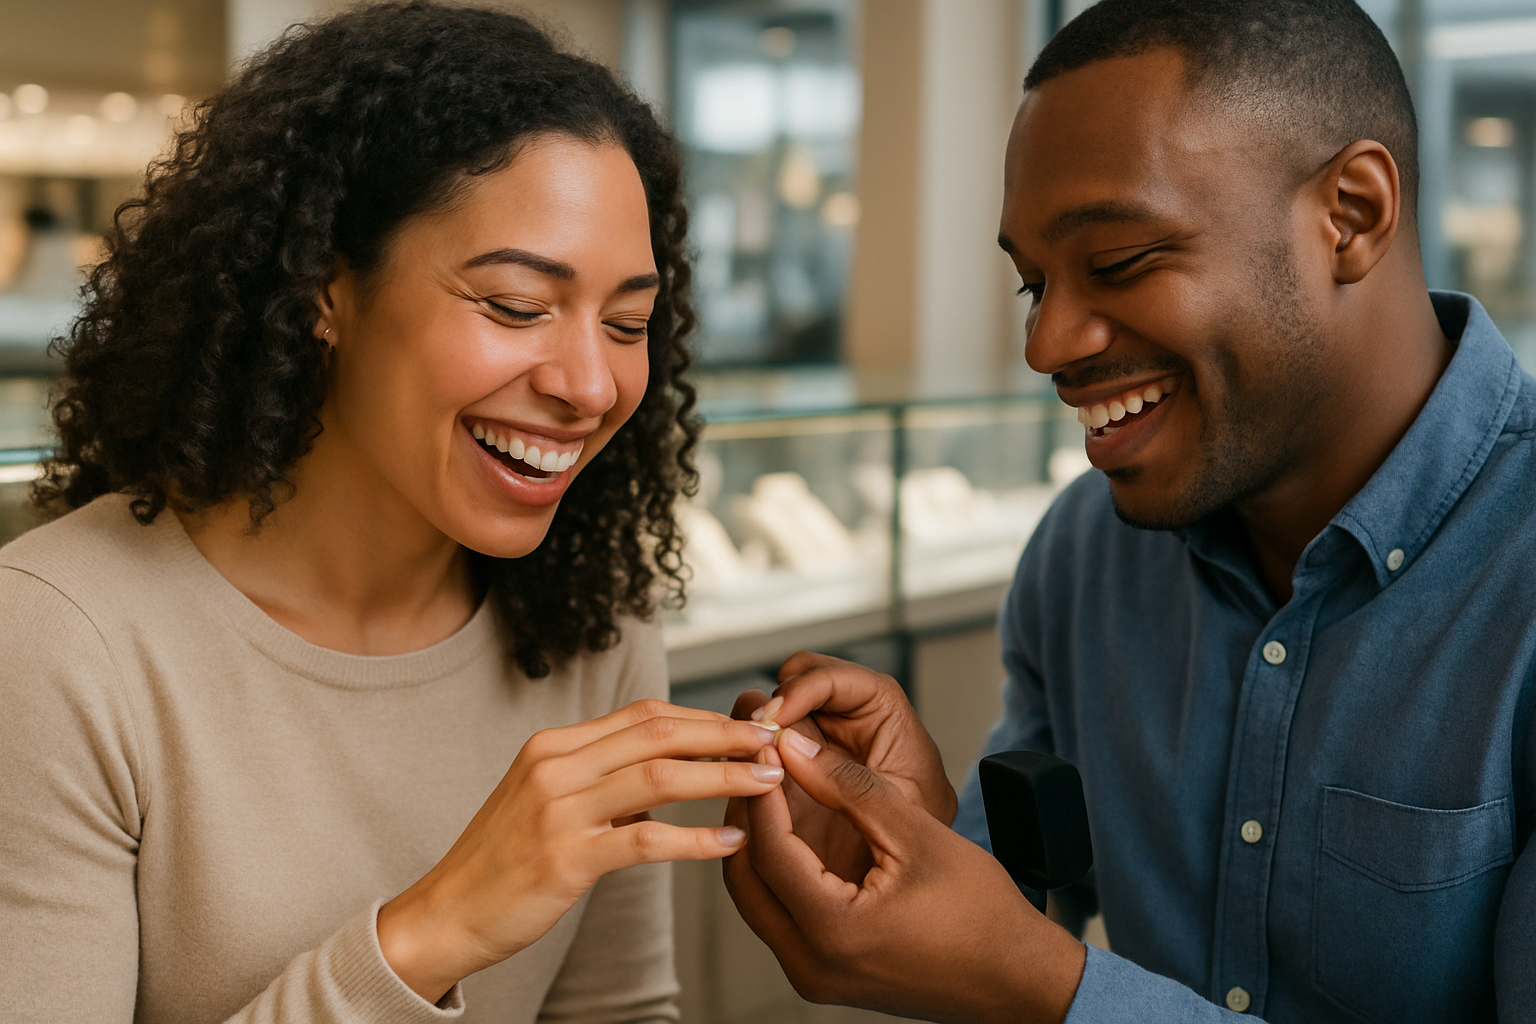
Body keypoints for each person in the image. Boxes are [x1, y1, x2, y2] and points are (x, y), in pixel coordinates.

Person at [723, 1, 1536, 1021]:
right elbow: (1034, 914)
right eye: (1033, 285)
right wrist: (917, 842)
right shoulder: (1082, 555)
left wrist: (1039, 985)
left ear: (1354, 214)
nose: (1048, 343)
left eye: (1118, 263)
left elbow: (1045, 978)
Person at [0, 5, 787, 1022]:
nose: (591, 384)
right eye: (514, 305)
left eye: (629, 322)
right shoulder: (59, 645)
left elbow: (617, 1010)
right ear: (325, 286)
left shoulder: (596, 625)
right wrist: (431, 933)